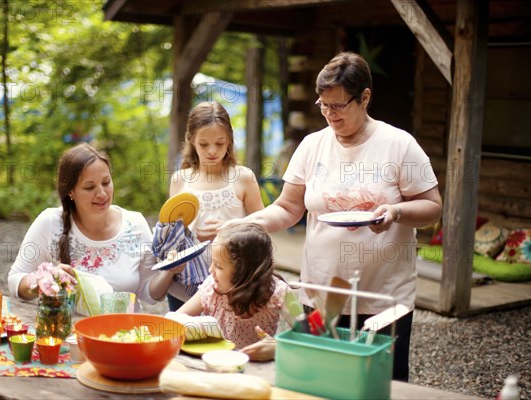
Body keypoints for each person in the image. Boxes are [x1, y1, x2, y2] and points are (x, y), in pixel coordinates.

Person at [227, 52, 443, 381]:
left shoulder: (399, 145)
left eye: (339, 106)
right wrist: (248, 223)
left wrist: (396, 211)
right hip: (322, 295)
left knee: (381, 381)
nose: (329, 114)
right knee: (322, 378)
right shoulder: (313, 145)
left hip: (383, 297)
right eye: (323, 105)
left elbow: (432, 206)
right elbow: (288, 208)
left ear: (365, 98)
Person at [7, 143, 182, 309]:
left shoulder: (135, 224)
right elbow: (15, 281)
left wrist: (169, 271)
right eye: (89, 187)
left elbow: (149, 294)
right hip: (67, 335)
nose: (102, 193)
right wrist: (44, 280)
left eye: (106, 182)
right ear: (70, 191)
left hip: (123, 335)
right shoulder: (50, 223)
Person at [164, 101, 265, 310]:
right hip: (184, 284)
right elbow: (172, 232)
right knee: (183, 336)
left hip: (232, 283)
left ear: (229, 140)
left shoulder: (243, 177)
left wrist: (231, 229)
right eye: (203, 144)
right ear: (191, 140)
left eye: (220, 143)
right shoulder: (180, 180)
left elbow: (262, 230)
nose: (212, 151)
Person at [174, 223, 289, 352]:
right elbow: (174, 320)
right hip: (217, 362)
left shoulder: (278, 294)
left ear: (245, 272)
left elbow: (305, 335)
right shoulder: (212, 288)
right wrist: (200, 327)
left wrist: (277, 346)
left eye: (219, 266)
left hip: (258, 367)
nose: (210, 270)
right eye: (212, 262)